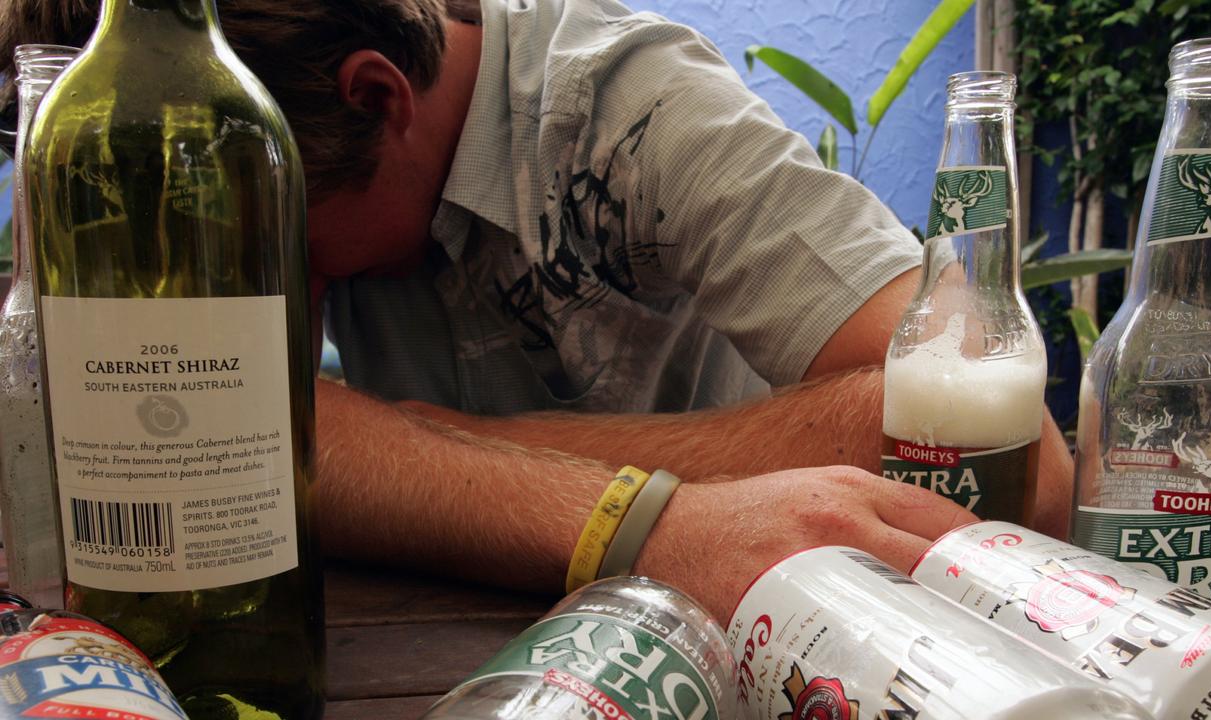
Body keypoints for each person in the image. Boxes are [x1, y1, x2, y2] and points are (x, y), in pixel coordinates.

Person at [0, 0, 1072, 623]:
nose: (257, 292)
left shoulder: (629, 105)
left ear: (377, 99)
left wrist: (437, 456)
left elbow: (1022, 459)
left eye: (270, 232)